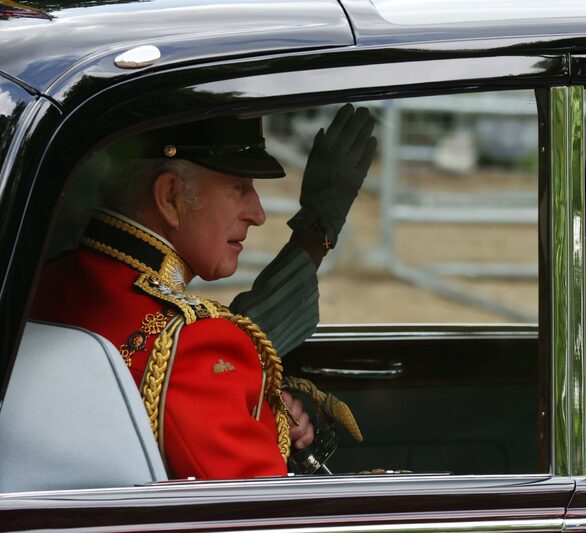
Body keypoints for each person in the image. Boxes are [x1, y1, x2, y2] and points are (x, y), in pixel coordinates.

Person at [31, 104, 377, 480]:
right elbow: (258, 515)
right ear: (170, 197)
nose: (258, 213)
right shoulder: (193, 347)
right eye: (239, 187)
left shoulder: (45, 282)